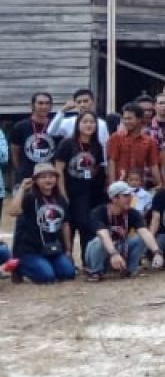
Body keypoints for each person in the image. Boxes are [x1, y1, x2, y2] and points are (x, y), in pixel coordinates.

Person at [6, 164, 76, 284]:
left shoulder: (59, 199)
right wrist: (22, 189)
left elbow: (65, 224)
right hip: (30, 250)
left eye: (51, 176)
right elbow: (13, 211)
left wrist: (68, 250)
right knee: (47, 277)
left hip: (52, 249)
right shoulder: (30, 197)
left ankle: (46, 264)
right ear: (35, 180)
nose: (48, 180)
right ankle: (19, 267)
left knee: (68, 273)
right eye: (43, 177)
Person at [84, 181, 165, 280]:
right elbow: (103, 235)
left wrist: (157, 252)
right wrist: (114, 253)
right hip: (99, 252)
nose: (130, 198)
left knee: (141, 238)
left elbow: (145, 233)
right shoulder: (98, 212)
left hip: (121, 248)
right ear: (114, 198)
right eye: (126, 195)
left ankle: (129, 270)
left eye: (130, 195)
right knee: (99, 241)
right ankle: (95, 272)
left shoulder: (132, 213)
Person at [54, 110, 107, 253]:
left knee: (87, 225)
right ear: (78, 124)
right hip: (70, 190)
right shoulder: (67, 143)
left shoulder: (97, 145)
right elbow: (58, 170)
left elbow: (97, 169)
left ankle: (87, 259)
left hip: (89, 193)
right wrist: (62, 193)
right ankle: (67, 256)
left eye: (92, 122)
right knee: (69, 224)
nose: (89, 125)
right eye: (85, 122)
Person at [107, 102, 162, 187]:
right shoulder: (116, 138)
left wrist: (159, 184)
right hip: (120, 185)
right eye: (124, 119)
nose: (126, 121)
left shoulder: (149, 141)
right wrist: (112, 185)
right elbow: (112, 162)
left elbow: (153, 165)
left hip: (138, 186)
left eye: (129, 119)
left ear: (139, 119)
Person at [11, 92, 57, 183]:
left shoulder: (56, 126)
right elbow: (14, 153)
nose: (44, 106)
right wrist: (20, 171)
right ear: (32, 105)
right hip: (27, 177)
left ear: (51, 106)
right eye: (40, 103)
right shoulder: (20, 126)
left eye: (47, 103)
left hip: (49, 177)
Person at [47, 89, 111, 147]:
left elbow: (105, 146)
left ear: (93, 102)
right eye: (79, 102)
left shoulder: (102, 123)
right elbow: (51, 132)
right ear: (75, 104)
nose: (82, 105)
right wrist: (62, 111)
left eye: (85, 101)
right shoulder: (68, 122)